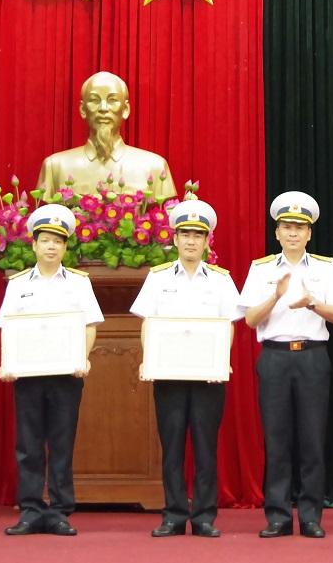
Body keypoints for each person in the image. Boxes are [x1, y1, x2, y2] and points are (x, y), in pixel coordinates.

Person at [239, 191, 333, 539]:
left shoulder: (325, 268)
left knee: (312, 440)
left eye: (299, 227)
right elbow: (250, 320)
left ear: (309, 233)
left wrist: (312, 303)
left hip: (312, 358)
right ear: (277, 233)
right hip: (274, 358)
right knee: (276, 440)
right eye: (287, 227)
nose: (293, 233)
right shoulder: (260, 269)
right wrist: (275, 296)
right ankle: (277, 516)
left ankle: (311, 516)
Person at [130, 199, 243, 538]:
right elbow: (148, 323)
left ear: (207, 241)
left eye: (198, 235)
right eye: (185, 235)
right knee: (172, 447)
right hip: (169, 376)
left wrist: (220, 360)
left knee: (206, 448)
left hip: (208, 377)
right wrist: (149, 359)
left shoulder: (221, 281)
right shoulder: (158, 278)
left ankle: (205, 516)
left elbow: (229, 326)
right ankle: (174, 515)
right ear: (175, 239)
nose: (191, 241)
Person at [0, 203, 104, 536]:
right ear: (34, 244)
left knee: (61, 444)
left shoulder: (78, 283)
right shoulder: (17, 284)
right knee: (28, 445)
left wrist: (83, 357)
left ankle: (59, 511)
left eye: (57, 241)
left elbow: (90, 325)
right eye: (45, 240)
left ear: (65, 247)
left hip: (66, 376)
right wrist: (7, 363)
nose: (51, 247)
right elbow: (8, 327)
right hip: (27, 376)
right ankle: (30, 510)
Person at [37, 71, 178, 200]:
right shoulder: (55, 166)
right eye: (94, 100)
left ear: (125, 110)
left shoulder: (154, 167)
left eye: (112, 100)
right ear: (83, 109)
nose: (103, 108)